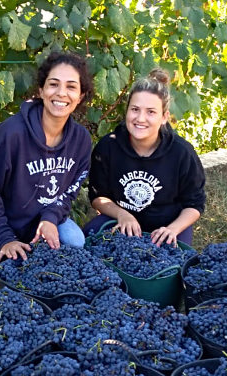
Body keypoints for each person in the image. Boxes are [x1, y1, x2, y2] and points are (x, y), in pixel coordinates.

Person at [0, 51, 95, 289]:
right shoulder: (11, 134)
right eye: (53, 84)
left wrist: (50, 218)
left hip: (39, 221)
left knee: (75, 242)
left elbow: (71, 190)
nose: (61, 93)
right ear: (41, 90)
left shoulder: (81, 141)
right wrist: (5, 239)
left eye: (71, 87)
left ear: (81, 95)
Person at [84, 68, 206, 246]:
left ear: (164, 117)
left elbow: (194, 205)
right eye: (135, 109)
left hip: (167, 225)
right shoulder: (108, 147)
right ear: (126, 111)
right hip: (122, 220)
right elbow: (97, 197)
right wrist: (122, 214)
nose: (140, 118)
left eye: (151, 112)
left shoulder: (182, 153)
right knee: (88, 240)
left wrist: (173, 229)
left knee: (176, 263)